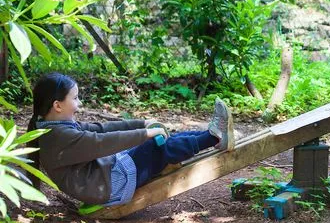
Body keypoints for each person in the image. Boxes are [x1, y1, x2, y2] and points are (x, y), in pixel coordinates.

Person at [27, 72, 235, 206]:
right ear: (57, 105)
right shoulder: (59, 137)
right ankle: (212, 137)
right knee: (157, 146)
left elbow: (100, 129)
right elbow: (101, 143)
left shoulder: (55, 128)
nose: (79, 104)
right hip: (110, 185)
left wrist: (141, 124)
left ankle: (214, 136)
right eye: (75, 98)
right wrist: (144, 134)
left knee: (160, 141)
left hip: (106, 175)